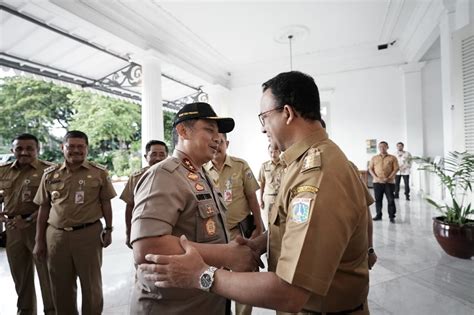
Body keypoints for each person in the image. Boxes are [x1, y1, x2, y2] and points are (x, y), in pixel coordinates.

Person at [140, 71, 373, 314]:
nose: (263, 130)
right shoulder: (301, 163)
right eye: (209, 130)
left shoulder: (317, 173)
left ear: (287, 113)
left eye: (264, 117)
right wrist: (259, 244)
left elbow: (289, 292)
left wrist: (203, 275)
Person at [130, 102, 260, 315]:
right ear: (183, 131)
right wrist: (226, 254)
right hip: (173, 307)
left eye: (218, 133)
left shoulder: (200, 174)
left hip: (204, 300)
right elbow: (146, 248)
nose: (217, 138)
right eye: (209, 130)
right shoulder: (164, 175)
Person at [33, 130, 117, 315]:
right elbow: (44, 208)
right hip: (56, 236)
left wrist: (109, 229)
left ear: (87, 148)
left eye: (80, 146)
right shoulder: (50, 175)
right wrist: (39, 241)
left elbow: (106, 202)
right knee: (60, 284)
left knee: (91, 284)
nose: (76, 150)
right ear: (63, 148)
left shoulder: (99, 173)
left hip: (88, 234)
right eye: (71, 146)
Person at [204, 132, 264, 315]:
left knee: (245, 279)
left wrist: (259, 227)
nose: (217, 146)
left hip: (240, 232)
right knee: (217, 278)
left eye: (220, 141)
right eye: (212, 142)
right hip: (214, 235)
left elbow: (252, 198)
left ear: (226, 143)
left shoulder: (240, 165)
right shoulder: (202, 170)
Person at [0, 133, 55, 315]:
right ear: (12, 150)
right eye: (19, 149)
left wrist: (29, 219)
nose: (24, 152)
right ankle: (25, 311)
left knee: (46, 275)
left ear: (38, 150)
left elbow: (54, 203)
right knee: (20, 276)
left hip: (40, 228)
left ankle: (52, 311)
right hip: (13, 230)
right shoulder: (4, 171)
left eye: (29, 149)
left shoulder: (49, 171)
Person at [120, 140, 168, 248]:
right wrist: (129, 233)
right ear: (146, 157)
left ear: (167, 156)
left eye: (162, 155)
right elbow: (130, 206)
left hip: (169, 230)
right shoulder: (136, 178)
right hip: (143, 230)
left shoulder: (176, 176)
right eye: (154, 154)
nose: (158, 158)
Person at [369, 141, 399, 223]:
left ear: (387, 147)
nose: (382, 148)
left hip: (389, 183)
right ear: (378, 148)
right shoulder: (374, 158)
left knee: (391, 200)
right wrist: (376, 178)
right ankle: (378, 215)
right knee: (378, 200)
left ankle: (391, 216)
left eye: (384, 146)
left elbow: (396, 169)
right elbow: (370, 169)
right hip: (377, 182)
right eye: (380, 147)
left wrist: (389, 178)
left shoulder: (392, 158)